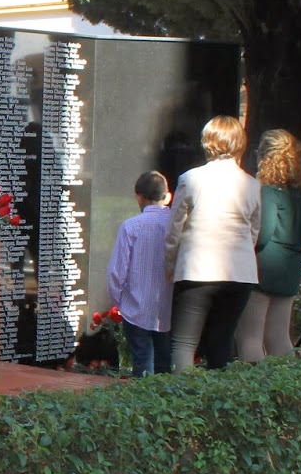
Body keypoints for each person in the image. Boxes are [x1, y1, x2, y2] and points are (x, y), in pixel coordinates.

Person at [233, 130, 301, 361]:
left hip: (263, 268)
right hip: (292, 266)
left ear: (266, 158)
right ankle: (288, 388)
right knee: (278, 335)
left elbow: (263, 235)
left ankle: (254, 390)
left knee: (249, 336)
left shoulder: (269, 191)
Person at [164, 115, 261, 370]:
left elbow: (175, 227)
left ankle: (183, 403)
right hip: (240, 273)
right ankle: (218, 405)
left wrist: (169, 262)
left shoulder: (191, 179)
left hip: (198, 270)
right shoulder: (252, 185)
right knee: (222, 341)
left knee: (184, 343)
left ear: (207, 141)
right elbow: (253, 230)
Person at [106, 170, 173, 375]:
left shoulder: (131, 227)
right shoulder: (176, 224)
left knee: (142, 362)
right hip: (169, 305)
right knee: (165, 363)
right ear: (167, 196)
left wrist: (118, 301)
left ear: (138, 196)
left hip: (136, 306)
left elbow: (117, 271)